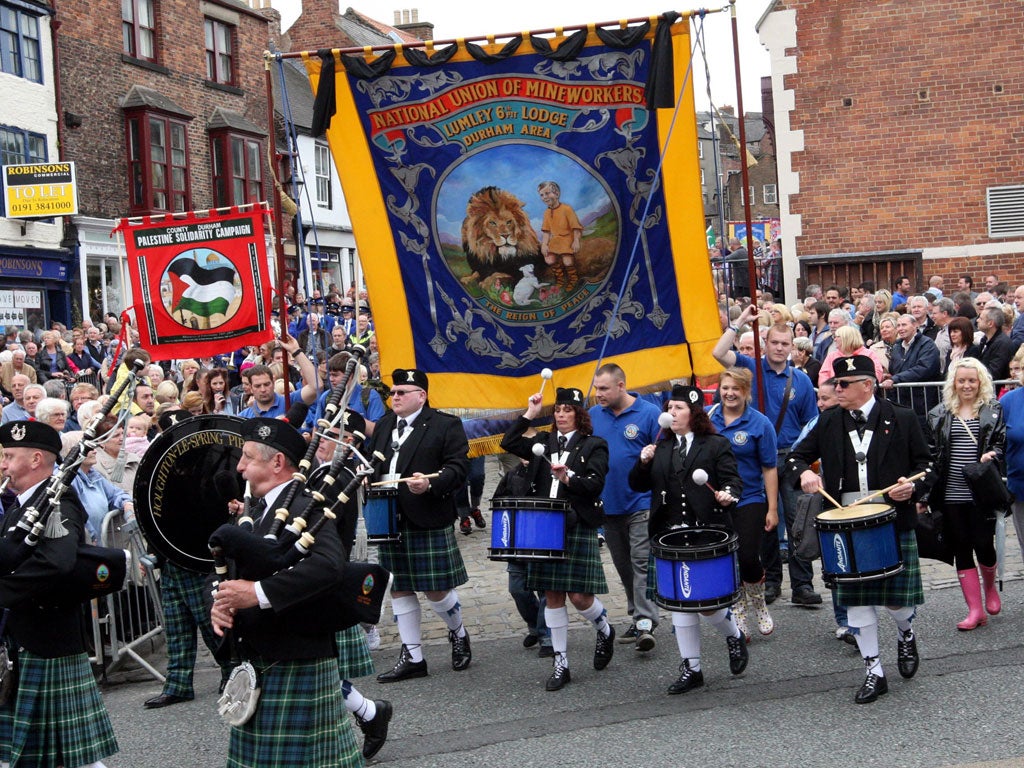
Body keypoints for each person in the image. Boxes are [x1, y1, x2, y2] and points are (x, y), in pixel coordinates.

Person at [210, 418, 361, 767]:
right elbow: (222, 570)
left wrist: (258, 593)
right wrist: (219, 603)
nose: (240, 467)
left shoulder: (303, 508)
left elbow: (328, 565)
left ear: (277, 463)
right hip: (263, 658)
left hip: (296, 658)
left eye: (248, 458)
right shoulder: (254, 512)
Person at [785, 355, 931, 704]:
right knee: (857, 604)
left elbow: (926, 466)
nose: (837, 389)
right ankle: (874, 670)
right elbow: (795, 457)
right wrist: (804, 472)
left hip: (891, 518)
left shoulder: (903, 418)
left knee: (897, 601)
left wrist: (912, 488)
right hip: (844, 522)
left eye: (844, 384)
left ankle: (905, 632)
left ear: (867, 385)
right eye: (836, 384)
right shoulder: (829, 421)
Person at [0, 420, 119, 767]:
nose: (3, 464)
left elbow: (58, 562)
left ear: (36, 459)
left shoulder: (57, 503)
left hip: (47, 642)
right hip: (24, 639)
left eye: (9, 456)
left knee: (77, 761)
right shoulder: (21, 506)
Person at [628, 384, 747, 694]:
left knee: (707, 604)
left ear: (694, 413)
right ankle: (692, 668)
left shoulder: (715, 444)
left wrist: (727, 495)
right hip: (669, 535)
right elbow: (637, 484)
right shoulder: (661, 447)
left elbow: (734, 481)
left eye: (678, 408)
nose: (671, 413)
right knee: (679, 603)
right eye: (669, 408)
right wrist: (642, 460)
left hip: (706, 532)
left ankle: (733, 634)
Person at [364, 369, 473, 683]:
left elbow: (458, 467)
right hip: (388, 517)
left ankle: (458, 633)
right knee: (399, 587)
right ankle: (413, 656)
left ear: (421, 396)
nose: (394, 397)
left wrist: (429, 485)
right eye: (393, 392)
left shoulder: (444, 424)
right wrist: (365, 471)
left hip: (427, 514)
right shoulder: (385, 425)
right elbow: (375, 462)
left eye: (402, 392)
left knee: (436, 589)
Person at [501, 386, 612, 691]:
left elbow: (595, 485)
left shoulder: (594, 445)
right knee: (552, 595)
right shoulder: (542, 442)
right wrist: (530, 413)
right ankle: (561, 661)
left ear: (579, 414)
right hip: (544, 525)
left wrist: (568, 478)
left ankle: (604, 628)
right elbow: (507, 442)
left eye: (568, 410)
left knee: (579, 597)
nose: (562, 415)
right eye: (558, 410)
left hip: (576, 525)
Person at [712, 304, 821, 607]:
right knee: (767, 523)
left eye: (785, 344)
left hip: (790, 456)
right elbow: (719, 354)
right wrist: (739, 322)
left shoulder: (799, 380)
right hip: (757, 458)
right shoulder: (750, 368)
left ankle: (802, 584)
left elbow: (812, 423)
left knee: (799, 521)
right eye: (774, 342)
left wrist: (805, 461)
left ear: (792, 347)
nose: (779, 348)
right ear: (765, 343)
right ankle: (772, 580)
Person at [922, 359, 1006, 630]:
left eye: (972, 380)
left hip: (980, 493)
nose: (967, 385)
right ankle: (975, 610)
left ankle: (990, 589)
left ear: (980, 381)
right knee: (961, 549)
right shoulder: (938, 414)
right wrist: (923, 496)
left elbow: (1001, 444)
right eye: (962, 380)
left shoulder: (992, 411)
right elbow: (932, 457)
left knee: (984, 545)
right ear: (953, 383)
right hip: (950, 494)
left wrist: (992, 454)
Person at [589, 362, 663, 650]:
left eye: (604, 388)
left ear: (621, 385)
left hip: (641, 502)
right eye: (596, 388)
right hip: (608, 505)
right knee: (623, 566)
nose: (598, 394)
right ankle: (637, 616)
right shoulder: (594, 415)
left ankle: (645, 621)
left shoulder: (649, 414)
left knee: (641, 561)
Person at [708, 368, 778, 639]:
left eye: (735, 388)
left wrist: (772, 508)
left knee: (747, 555)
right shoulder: (708, 419)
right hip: (715, 500)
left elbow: (769, 468)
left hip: (750, 497)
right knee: (727, 559)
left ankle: (757, 600)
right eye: (725, 387)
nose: (729, 393)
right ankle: (738, 609)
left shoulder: (760, 424)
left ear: (746, 391)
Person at [538, 180, 583, 291]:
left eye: (547, 193)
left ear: (557, 194)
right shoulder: (547, 213)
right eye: (542, 195)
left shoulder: (567, 209)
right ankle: (560, 279)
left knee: (567, 260)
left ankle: (573, 279)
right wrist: (544, 244)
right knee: (549, 259)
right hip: (556, 240)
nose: (545, 197)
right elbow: (546, 231)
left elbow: (576, 227)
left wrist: (576, 240)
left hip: (567, 238)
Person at [818, 326, 885, 385]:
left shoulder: (868, 354)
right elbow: (823, 376)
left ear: (847, 338)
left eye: (837, 337)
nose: (834, 339)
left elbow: (877, 373)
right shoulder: (831, 356)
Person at [976, 306, 1014, 382]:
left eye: (981, 318)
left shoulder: (1002, 343)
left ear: (990, 323)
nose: (977, 320)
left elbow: (994, 372)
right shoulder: (984, 340)